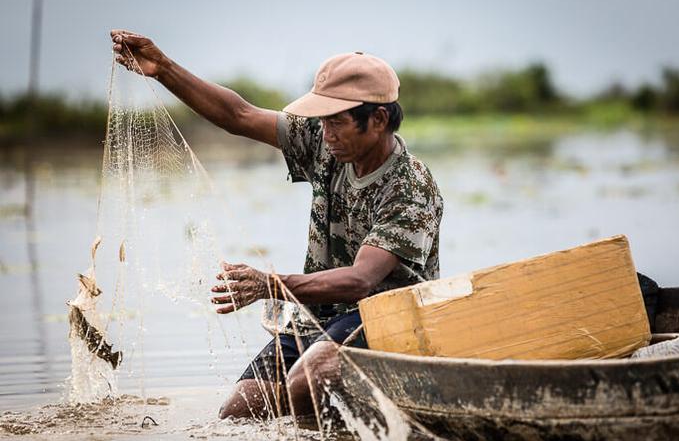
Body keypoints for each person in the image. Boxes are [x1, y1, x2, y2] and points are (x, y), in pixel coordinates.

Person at [110, 30, 443, 419]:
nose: (326, 134)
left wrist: (270, 285)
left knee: (308, 377)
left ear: (378, 119)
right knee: (240, 409)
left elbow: (360, 281)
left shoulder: (409, 185)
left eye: (337, 122)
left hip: (386, 316)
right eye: (321, 122)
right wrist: (163, 69)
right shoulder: (325, 143)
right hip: (319, 315)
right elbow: (239, 115)